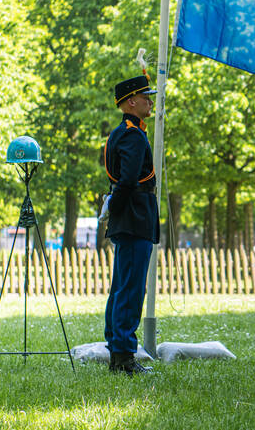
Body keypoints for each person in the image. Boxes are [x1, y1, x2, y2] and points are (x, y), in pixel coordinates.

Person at [102, 69, 160, 375]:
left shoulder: (123, 132)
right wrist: (118, 210)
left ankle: (117, 347)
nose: (149, 103)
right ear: (131, 102)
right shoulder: (132, 135)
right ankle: (124, 353)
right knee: (131, 288)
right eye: (145, 98)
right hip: (135, 216)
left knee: (122, 285)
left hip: (130, 216)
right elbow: (127, 181)